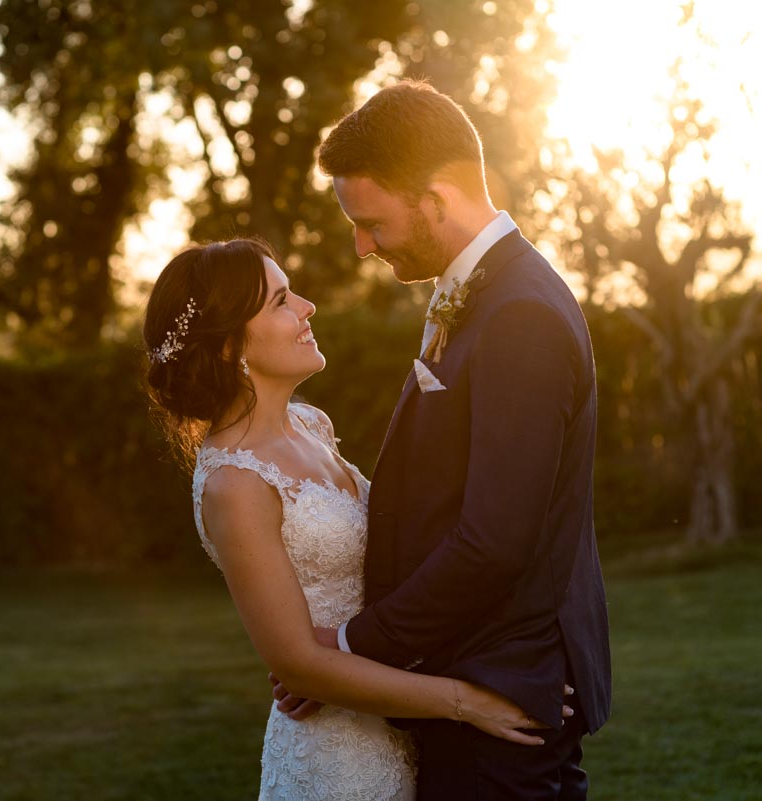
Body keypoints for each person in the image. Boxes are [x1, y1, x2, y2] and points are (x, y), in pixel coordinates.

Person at [270, 80, 612, 800]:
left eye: (371, 222)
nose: (362, 247)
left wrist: (351, 646)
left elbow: (495, 540)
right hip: (461, 671)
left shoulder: (520, 313)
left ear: (436, 198)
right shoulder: (480, 294)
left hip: (502, 689)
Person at [143, 238, 573, 801]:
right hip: (338, 759)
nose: (307, 307)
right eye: (279, 301)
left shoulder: (311, 424)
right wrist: (468, 702)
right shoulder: (234, 485)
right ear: (228, 347)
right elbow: (298, 667)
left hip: (404, 724)